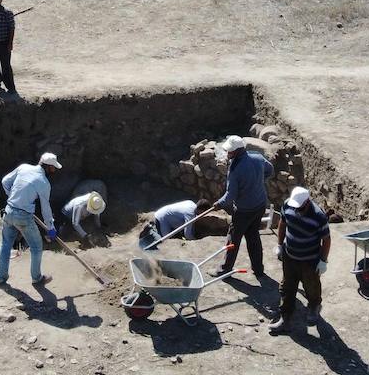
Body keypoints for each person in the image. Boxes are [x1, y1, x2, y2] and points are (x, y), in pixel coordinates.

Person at [269, 186, 331, 334]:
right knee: (287, 288)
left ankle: (314, 307)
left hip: (309, 260)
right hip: (289, 257)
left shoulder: (318, 216)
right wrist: (279, 245)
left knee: (312, 287)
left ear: (307, 202)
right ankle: (285, 319)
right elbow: (282, 224)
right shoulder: (287, 205)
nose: (297, 210)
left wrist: (323, 260)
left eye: (300, 207)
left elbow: (326, 240)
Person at [0, 152, 61, 286]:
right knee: (36, 247)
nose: (54, 170)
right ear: (48, 167)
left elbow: (5, 182)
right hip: (24, 217)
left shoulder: (23, 168)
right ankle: (37, 278)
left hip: (9, 211)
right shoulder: (44, 183)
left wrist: (12, 196)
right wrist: (51, 228)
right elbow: (45, 209)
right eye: (53, 168)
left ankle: (0, 277)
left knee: (6, 244)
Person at [213, 135, 274, 278]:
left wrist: (218, 204)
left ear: (239, 151)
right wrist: (258, 180)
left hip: (243, 210)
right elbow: (270, 169)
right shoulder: (257, 157)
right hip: (259, 205)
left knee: (233, 240)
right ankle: (258, 270)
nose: (228, 154)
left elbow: (230, 196)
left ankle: (225, 269)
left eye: (230, 151)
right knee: (253, 237)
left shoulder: (235, 170)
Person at [139, 197, 228, 249]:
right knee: (165, 240)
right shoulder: (190, 214)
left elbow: (190, 226)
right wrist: (195, 241)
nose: (203, 215)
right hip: (162, 219)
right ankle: (150, 230)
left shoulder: (191, 204)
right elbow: (187, 234)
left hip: (167, 215)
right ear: (200, 210)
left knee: (174, 233)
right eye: (204, 213)